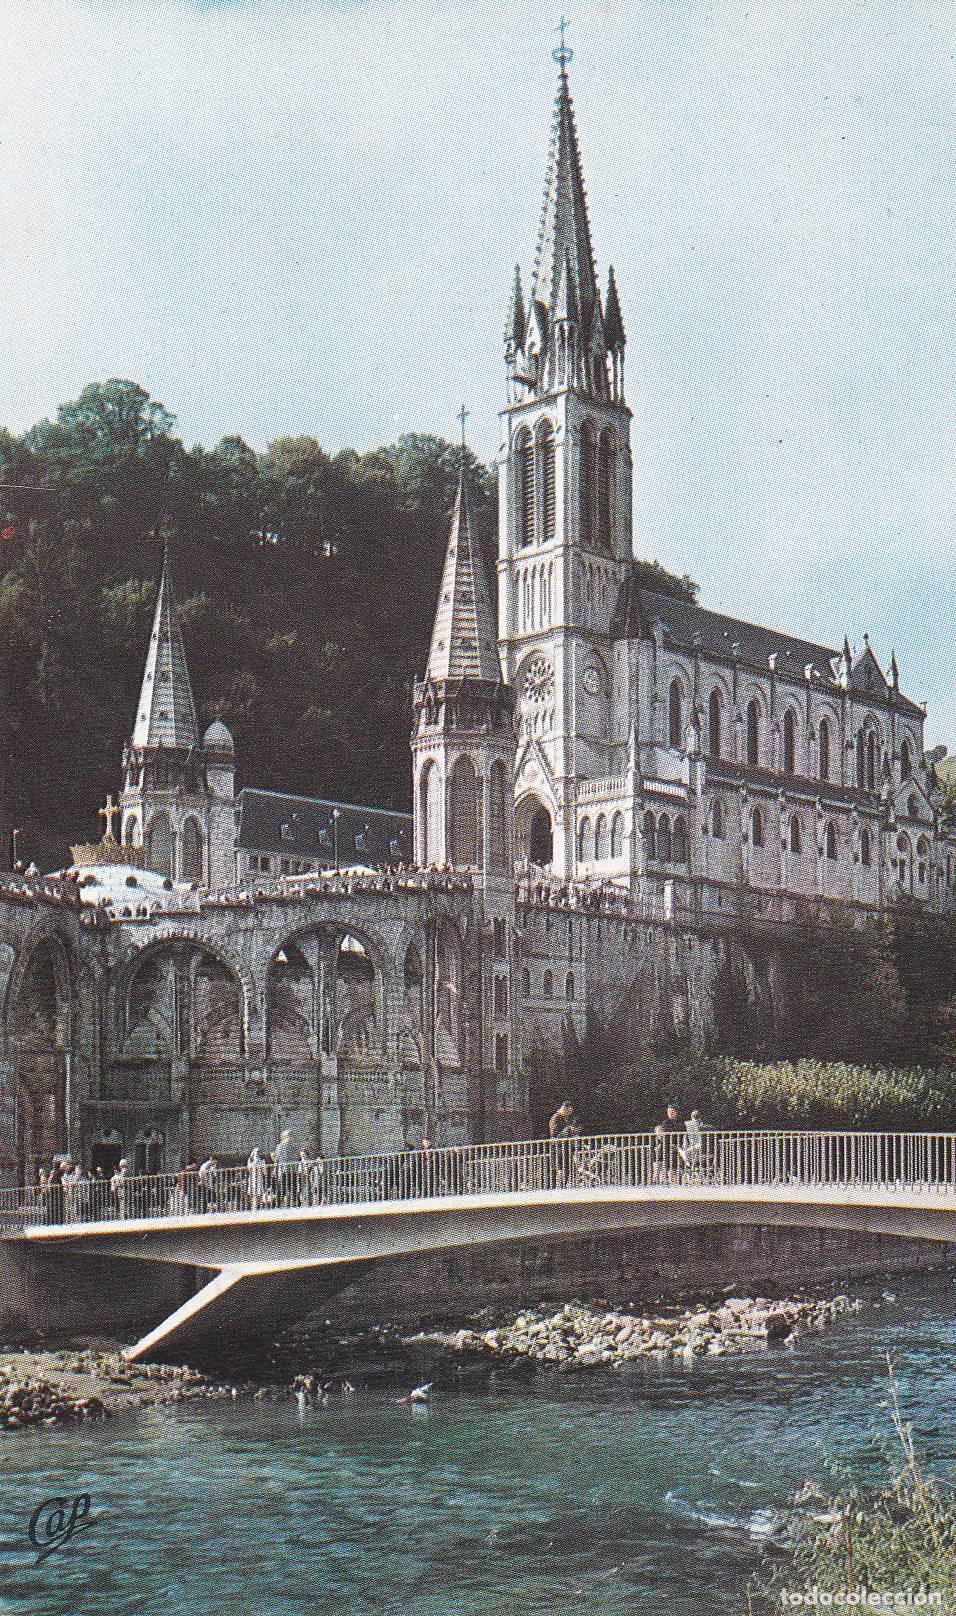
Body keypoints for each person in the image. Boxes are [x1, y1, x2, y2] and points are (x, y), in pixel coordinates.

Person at [273, 1130, 298, 1206]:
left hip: (283, 1169)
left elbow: (277, 1159)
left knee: (281, 1187)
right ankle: (295, 1203)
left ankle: (278, 1204)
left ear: (283, 1137)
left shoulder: (280, 1146)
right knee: (293, 1187)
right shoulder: (295, 1146)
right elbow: (297, 1157)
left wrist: (275, 1169)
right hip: (293, 1169)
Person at [247, 1145, 267, 1210]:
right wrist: (254, 1163)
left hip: (259, 1178)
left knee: (259, 1194)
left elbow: (264, 1172)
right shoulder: (250, 1160)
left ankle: (259, 1208)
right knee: (254, 1194)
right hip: (253, 1178)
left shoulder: (262, 1161)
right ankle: (254, 1208)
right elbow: (249, 1169)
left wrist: (260, 1164)